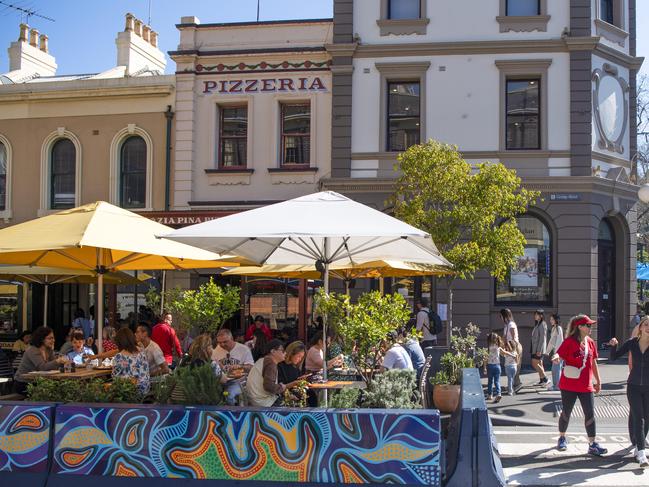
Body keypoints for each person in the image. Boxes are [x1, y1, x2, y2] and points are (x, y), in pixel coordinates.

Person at [555, 315, 607, 456]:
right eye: (588, 325)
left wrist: (598, 380)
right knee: (567, 412)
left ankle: (592, 444)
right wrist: (556, 358)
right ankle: (562, 437)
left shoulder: (590, 342)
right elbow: (558, 355)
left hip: (586, 385)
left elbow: (593, 362)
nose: (591, 328)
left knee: (590, 414)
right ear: (579, 327)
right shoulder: (569, 342)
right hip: (569, 384)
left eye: (591, 325)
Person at [608, 317, 649, 467]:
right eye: (645, 324)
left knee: (647, 418)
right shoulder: (632, 343)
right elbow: (614, 357)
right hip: (633, 386)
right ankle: (642, 454)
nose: (648, 327)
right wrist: (614, 345)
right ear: (640, 328)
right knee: (639, 417)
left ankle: (639, 447)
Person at [246, 339, 301, 407]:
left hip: (257, 399)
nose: (285, 353)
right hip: (262, 402)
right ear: (273, 351)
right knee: (294, 407)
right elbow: (269, 387)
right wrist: (284, 387)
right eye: (282, 351)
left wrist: (286, 393)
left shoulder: (264, 360)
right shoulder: (270, 363)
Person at [14, 326, 67, 393]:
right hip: (24, 382)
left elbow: (53, 366)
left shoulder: (49, 350)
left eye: (53, 338)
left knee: (61, 388)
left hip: (38, 381)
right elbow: (42, 367)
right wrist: (57, 361)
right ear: (42, 339)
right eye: (50, 338)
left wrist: (63, 363)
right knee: (55, 390)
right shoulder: (32, 350)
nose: (53, 340)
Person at [112, 328, 150, 395]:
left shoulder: (119, 356)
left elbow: (115, 377)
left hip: (130, 392)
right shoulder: (142, 352)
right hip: (145, 389)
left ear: (119, 342)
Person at [501, 308, 522, 391]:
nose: (500, 318)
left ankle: (516, 385)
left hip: (514, 346)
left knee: (515, 365)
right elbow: (504, 337)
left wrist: (513, 349)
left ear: (505, 316)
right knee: (511, 365)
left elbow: (513, 337)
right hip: (510, 346)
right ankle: (512, 385)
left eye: (501, 316)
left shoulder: (511, 324)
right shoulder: (507, 325)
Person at [547, 314, 564, 391]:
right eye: (550, 319)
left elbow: (559, 341)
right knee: (555, 369)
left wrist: (557, 354)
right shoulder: (554, 328)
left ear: (556, 320)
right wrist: (548, 351)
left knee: (556, 369)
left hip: (559, 353)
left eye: (552, 319)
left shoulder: (558, 328)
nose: (550, 321)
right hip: (556, 352)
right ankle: (556, 385)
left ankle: (557, 386)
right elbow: (552, 342)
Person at [531, 309, 548, 386]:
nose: (535, 316)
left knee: (534, 363)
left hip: (538, 348)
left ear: (541, 316)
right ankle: (542, 380)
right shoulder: (538, 324)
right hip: (535, 347)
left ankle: (545, 378)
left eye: (536, 314)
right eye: (535, 314)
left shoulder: (542, 324)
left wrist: (539, 350)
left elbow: (542, 338)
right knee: (540, 363)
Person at [485, 333, 503, 402]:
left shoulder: (488, 348)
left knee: (490, 381)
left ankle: (490, 395)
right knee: (497, 381)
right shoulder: (498, 346)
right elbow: (503, 353)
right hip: (497, 366)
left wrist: (484, 367)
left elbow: (485, 358)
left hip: (490, 366)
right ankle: (498, 393)